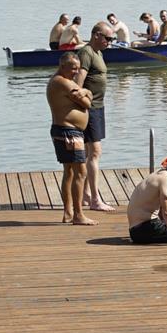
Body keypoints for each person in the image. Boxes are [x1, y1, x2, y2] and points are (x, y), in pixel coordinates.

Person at [46, 52, 95, 226]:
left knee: (70, 172)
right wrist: (87, 92)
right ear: (62, 66)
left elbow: (85, 97)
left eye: (78, 68)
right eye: (73, 68)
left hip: (66, 131)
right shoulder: (62, 82)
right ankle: (78, 215)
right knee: (80, 172)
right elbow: (87, 103)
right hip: (69, 132)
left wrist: (85, 91)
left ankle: (68, 212)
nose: (76, 72)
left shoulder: (62, 81)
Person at [74, 21, 115, 213]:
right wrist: (83, 107)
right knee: (95, 152)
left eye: (112, 39)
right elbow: (77, 85)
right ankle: (95, 200)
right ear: (96, 35)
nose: (110, 42)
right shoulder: (86, 53)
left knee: (89, 153)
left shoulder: (98, 53)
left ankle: (85, 195)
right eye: (108, 38)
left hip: (98, 108)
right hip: (89, 109)